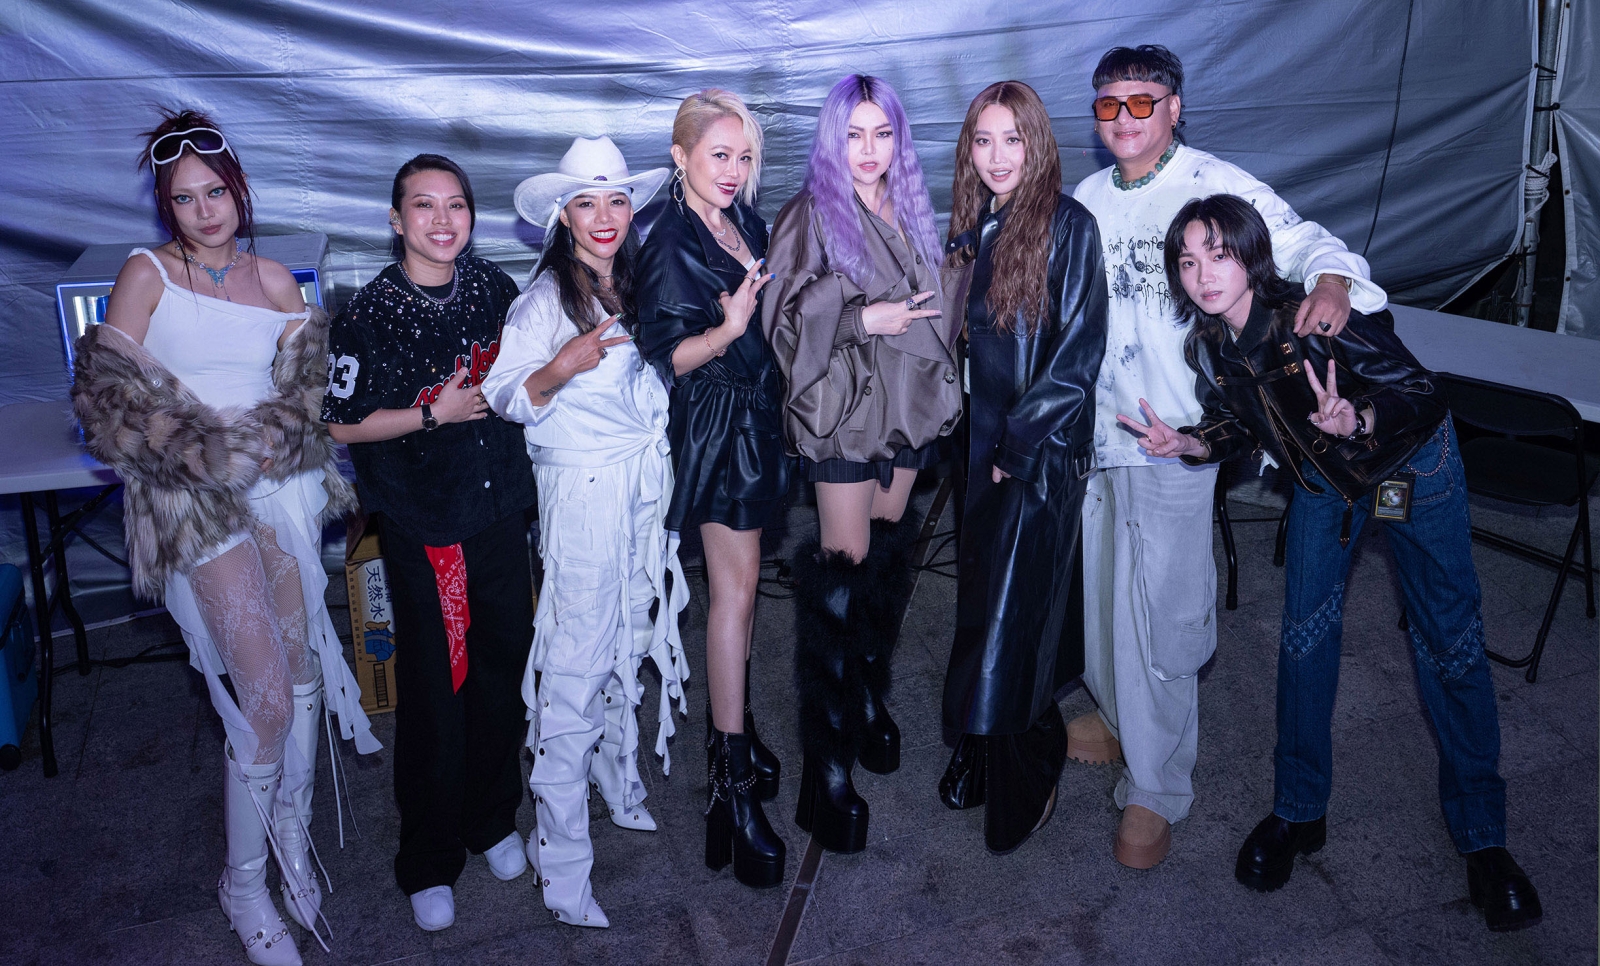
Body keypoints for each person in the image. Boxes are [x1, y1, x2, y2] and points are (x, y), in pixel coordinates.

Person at [1121, 193, 1542, 933]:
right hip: (1324, 484)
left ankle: (1484, 838)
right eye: (1187, 260)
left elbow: (1421, 392)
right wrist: (1190, 443)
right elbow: (1237, 424)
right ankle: (1299, 812)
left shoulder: (1313, 319)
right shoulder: (1210, 347)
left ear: (1253, 256)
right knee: (1304, 641)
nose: (1203, 274)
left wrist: (1360, 418)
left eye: (1219, 253)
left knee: (1449, 642)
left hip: (1409, 472)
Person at [72, 108, 379, 966]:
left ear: (239, 190)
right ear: (164, 205)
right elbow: (103, 399)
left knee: (304, 673)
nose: (204, 211)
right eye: (184, 198)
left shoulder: (276, 279)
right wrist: (206, 452)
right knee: (265, 697)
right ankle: (242, 886)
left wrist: (280, 434)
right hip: (196, 503)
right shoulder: (147, 275)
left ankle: (290, 841)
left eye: (215, 192)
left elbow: (312, 395)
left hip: (280, 494)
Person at [1069, 44, 1388, 869]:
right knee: (1101, 597)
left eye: (1143, 102)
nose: (1125, 118)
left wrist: (1332, 283)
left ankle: (1156, 787)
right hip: (1096, 435)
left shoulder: (1215, 186)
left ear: (1174, 108)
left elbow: (1308, 243)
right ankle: (1114, 715)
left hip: (1179, 439)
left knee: (1165, 616)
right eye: (1109, 104)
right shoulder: (1087, 199)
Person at [321, 154, 537, 932]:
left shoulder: (492, 287)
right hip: (428, 526)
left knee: (502, 672)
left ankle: (491, 819)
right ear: (396, 219)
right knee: (436, 693)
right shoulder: (368, 314)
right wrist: (429, 415)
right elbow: (340, 423)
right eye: (424, 205)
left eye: (456, 205)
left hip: (500, 514)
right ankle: (429, 857)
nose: (442, 220)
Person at [482, 136, 689, 927]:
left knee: (629, 634)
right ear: (562, 217)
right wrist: (562, 366)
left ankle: (614, 775)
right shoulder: (543, 302)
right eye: (585, 202)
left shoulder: (635, 281)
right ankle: (561, 862)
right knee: (575, 662)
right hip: (584, 492)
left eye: (616, 200)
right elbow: (505, 394)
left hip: (639, 484)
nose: (604, 216)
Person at [762, 74, 958, 853]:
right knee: (840, 580)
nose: (869, 150)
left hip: (906, 406)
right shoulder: (809, 214)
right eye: (853, 134)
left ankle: (869, 696)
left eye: (882, 134)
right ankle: (827, 766)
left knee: (883, 559)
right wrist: (858, 318)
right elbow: (781, 322)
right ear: (831, 140)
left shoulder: (912, 207)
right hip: (841, 413)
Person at [937, 81, 1109, 855]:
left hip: (1031, 458)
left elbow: (1077, 356)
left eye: (1013, 138)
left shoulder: (1068, 226)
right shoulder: (975, 224)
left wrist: (1016, 448)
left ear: (1038, 143)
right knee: (983, 606)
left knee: (1017, 620)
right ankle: (980, 744)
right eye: (983, 140)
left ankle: (1028, 769)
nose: (997, 155)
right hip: (978, 447)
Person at [636, 89, 788, 888]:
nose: (732, 170)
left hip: (753, 419)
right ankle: (730, 790)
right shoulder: (667, 239)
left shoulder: (742, 220)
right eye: (717, 155)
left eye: (743, 156)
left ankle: (739, 730)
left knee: (747, 589)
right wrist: (726, 332)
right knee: (734, 593)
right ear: (680, 156)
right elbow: (663, 355)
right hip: (714, 426)